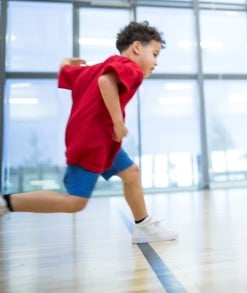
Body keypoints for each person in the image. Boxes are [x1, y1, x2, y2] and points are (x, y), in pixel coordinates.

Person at [0, 21, 177, 244]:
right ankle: (7, 203)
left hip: (100, 141)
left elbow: (66, 72)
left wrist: (66, 62)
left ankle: (143, 226)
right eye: (155, 53)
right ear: (137, 48)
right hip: (94, 141)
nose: (156, 62)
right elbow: (106, 82)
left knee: (131, 173)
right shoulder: (131, 69)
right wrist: (117, 123)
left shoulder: (96, 67)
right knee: (75, 201)